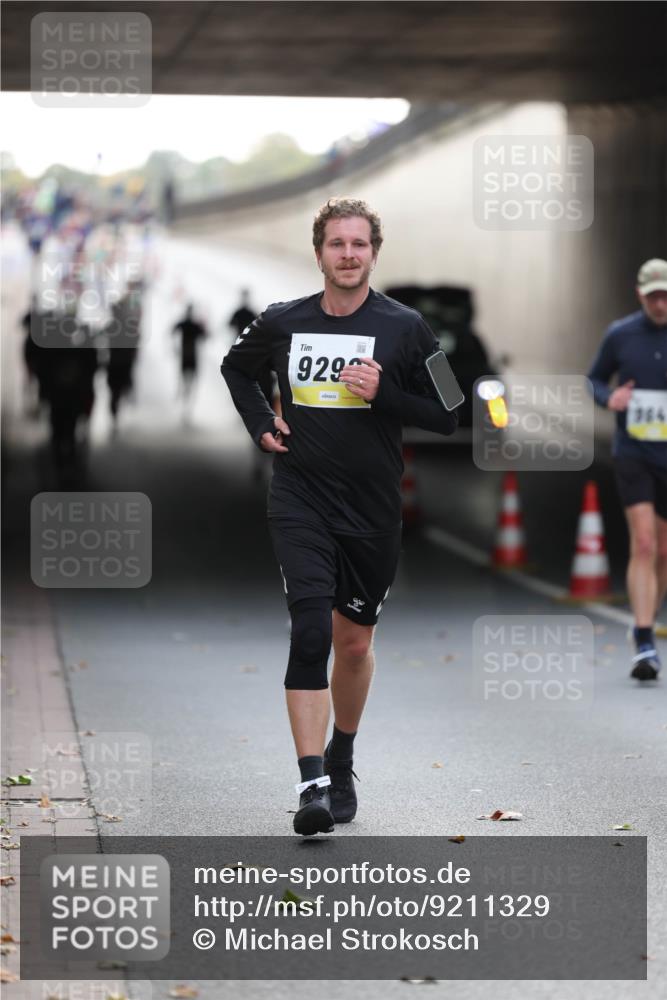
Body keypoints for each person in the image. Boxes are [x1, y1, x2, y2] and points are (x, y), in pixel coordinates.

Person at [221, 197, 459, 836]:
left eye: (359, 244)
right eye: (337, 244)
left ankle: (342, 754)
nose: (348, 255)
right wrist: (260, 422)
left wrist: (387, 394)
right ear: (319, 251)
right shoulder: (282, 322)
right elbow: (235, 368)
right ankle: (312, 786)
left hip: (372, 510)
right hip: (299, 498)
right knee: (310, 632)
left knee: (354, 643)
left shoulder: (407, 328)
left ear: (373, 252)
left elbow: (452, 409)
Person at [587, 258, 667, 681]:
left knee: (664, 551)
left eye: (665, 294)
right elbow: (593, 380)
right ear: (640, 294)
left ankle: (648, 623)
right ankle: (643, 639)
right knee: (644, 544)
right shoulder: (621, 334)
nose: (660, 302)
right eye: (653, 295)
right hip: (634, 451)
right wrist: (609, 398)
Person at [172, 303, 207, 416]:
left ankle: (185, 401)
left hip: (186, 356)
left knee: (186, 381)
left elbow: (172, 331)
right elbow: (205, 336)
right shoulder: (194, 324)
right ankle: (186, 403)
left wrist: (175, 348)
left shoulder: (184, 323)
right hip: (191, 356)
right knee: (190, 382)